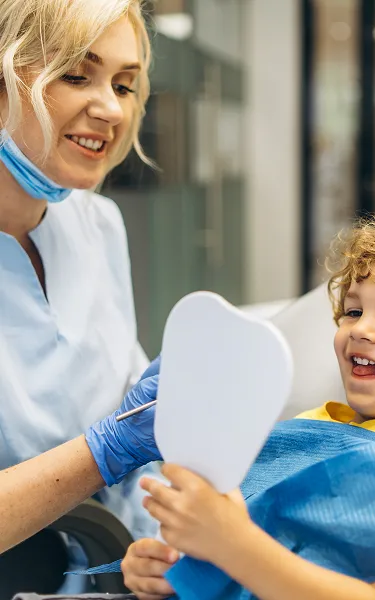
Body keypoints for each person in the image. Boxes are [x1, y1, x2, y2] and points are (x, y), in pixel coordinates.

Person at [121, 216, 375, 600]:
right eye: (353, 311)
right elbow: (231, 547)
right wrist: (170, 570)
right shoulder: (306, 429)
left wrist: (233, 545)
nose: (361, 329)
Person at [0, 0, 163, 591]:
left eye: (124, 85)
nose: (111, 109)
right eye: (75, 74)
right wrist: (104, 451)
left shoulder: (98, 225)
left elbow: (136, 416)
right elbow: (121, 439)